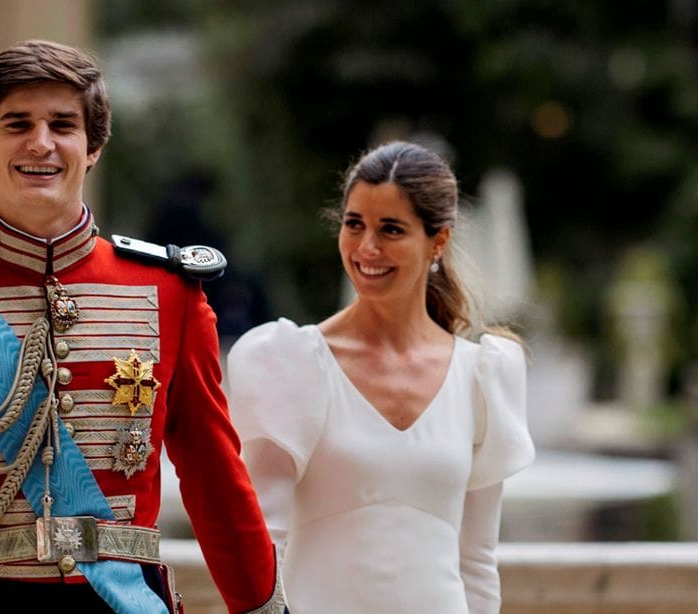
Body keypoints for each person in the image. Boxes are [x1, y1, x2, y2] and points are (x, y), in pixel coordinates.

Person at [0, 39, 285, 614]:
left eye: (62, 125)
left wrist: (264, 608)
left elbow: (218, 486)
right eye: (17, 124)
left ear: (92, 147)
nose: (40, 143)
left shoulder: (171, 295)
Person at [227, 141, 534, 613]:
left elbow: (476, 561)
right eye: (355, 225)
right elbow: (264, 542)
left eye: (391, 229)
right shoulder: (292, 362)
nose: (367, 248)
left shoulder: (483, 375)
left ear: (439, 241)